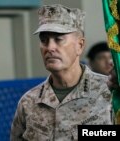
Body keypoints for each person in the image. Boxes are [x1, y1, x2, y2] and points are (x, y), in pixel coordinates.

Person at [10, 4, 112, 141]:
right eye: (44, 40)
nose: (50, 47)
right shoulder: (29, 102)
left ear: (80, 46)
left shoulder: (109, 93)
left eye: (59, 39)